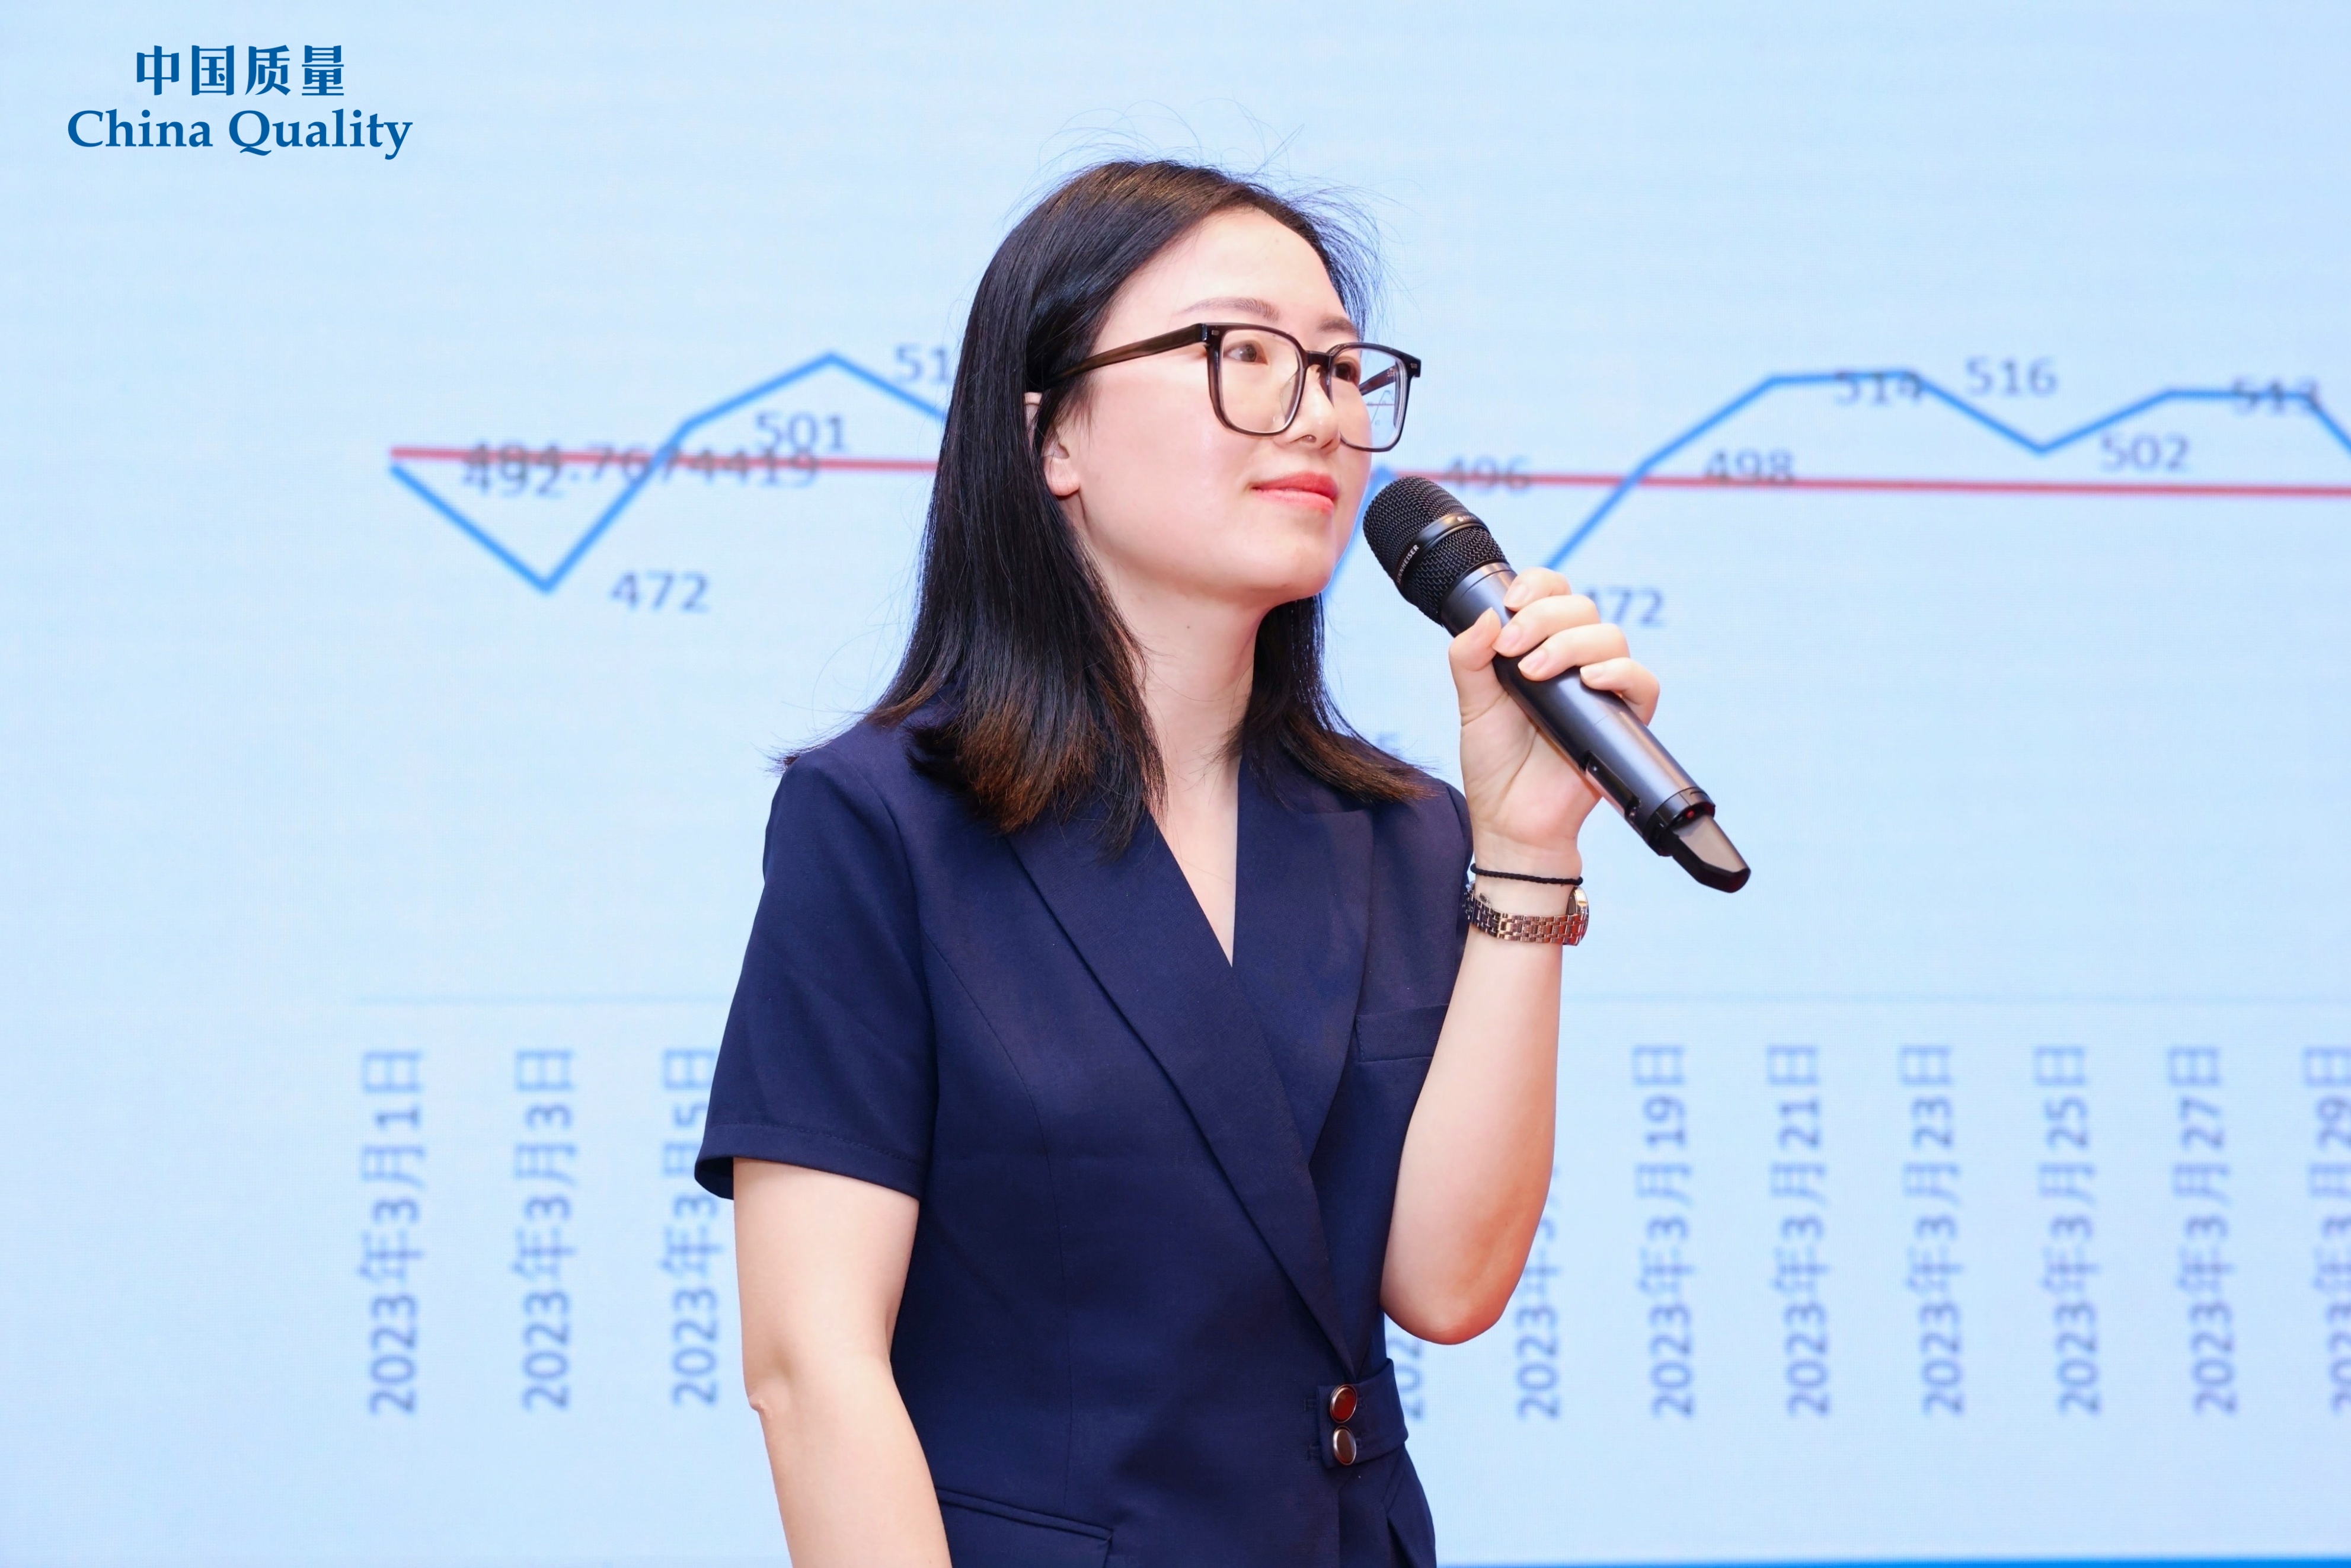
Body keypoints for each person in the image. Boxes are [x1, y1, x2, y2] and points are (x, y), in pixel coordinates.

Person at [695, 159, 1659, 1568]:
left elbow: (1446, 1285)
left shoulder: (1400, 832)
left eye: (1339, 369)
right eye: (1241, 354)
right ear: (1054, 438)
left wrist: (1524, 850)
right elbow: (811, 1366)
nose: (1317, 413)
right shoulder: (883, 824)